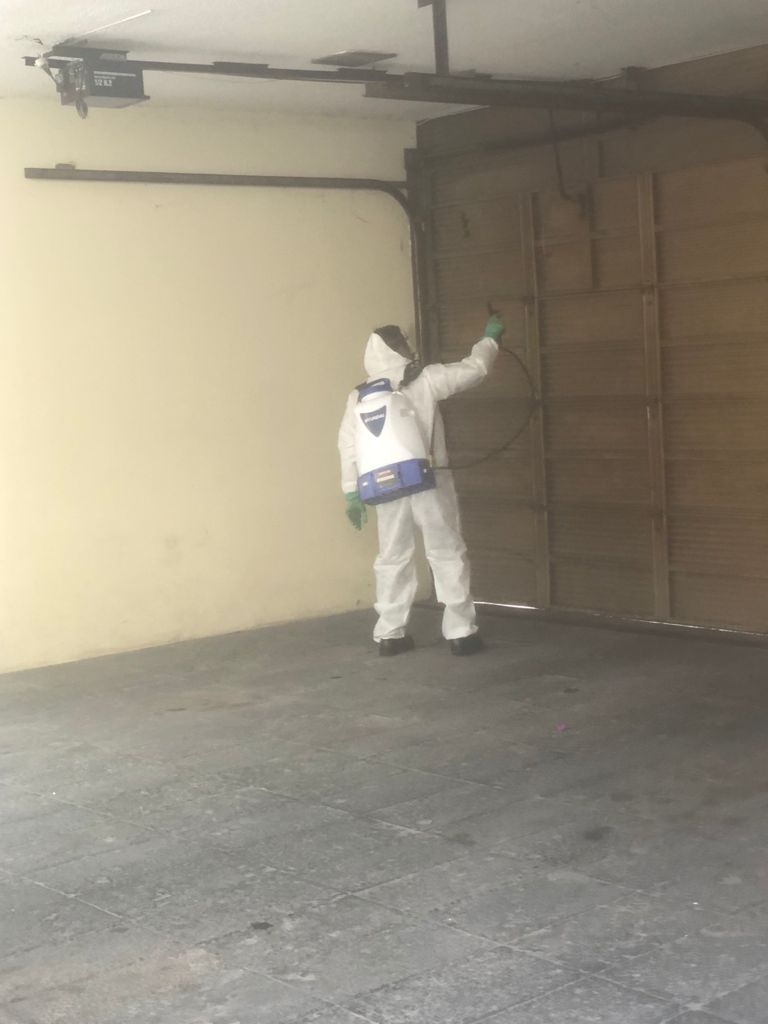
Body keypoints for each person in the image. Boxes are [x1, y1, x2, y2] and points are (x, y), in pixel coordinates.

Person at [337, 315, 504, 656]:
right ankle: (461, 632)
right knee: (446, 551)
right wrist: (489, 340)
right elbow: (475, 370)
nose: (409, 347)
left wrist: (351, 492)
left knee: (392, 557)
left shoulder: (359, 395)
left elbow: (347, 445)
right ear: (398, 348)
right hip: (430, 481)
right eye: (404, 342)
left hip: (386, 488)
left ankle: (390, 634)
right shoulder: (425, 379)